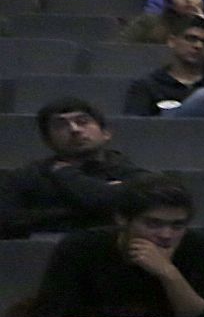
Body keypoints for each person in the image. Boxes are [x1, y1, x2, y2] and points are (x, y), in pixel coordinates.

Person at [20, 174, 204, 317]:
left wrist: (168, 273)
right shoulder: (81, 247)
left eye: (177, 225)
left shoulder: (201, 248)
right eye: (153, 224)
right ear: (122, 219)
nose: (166, 235)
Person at [0, 98, 143, 239]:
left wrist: (65, 174)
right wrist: (101, 202)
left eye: (83, 122)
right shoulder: (25, 176)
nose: (74, 129)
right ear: (48, 140)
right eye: (60, 125)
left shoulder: (132, 175)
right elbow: (7, 221)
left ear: (106, 133)